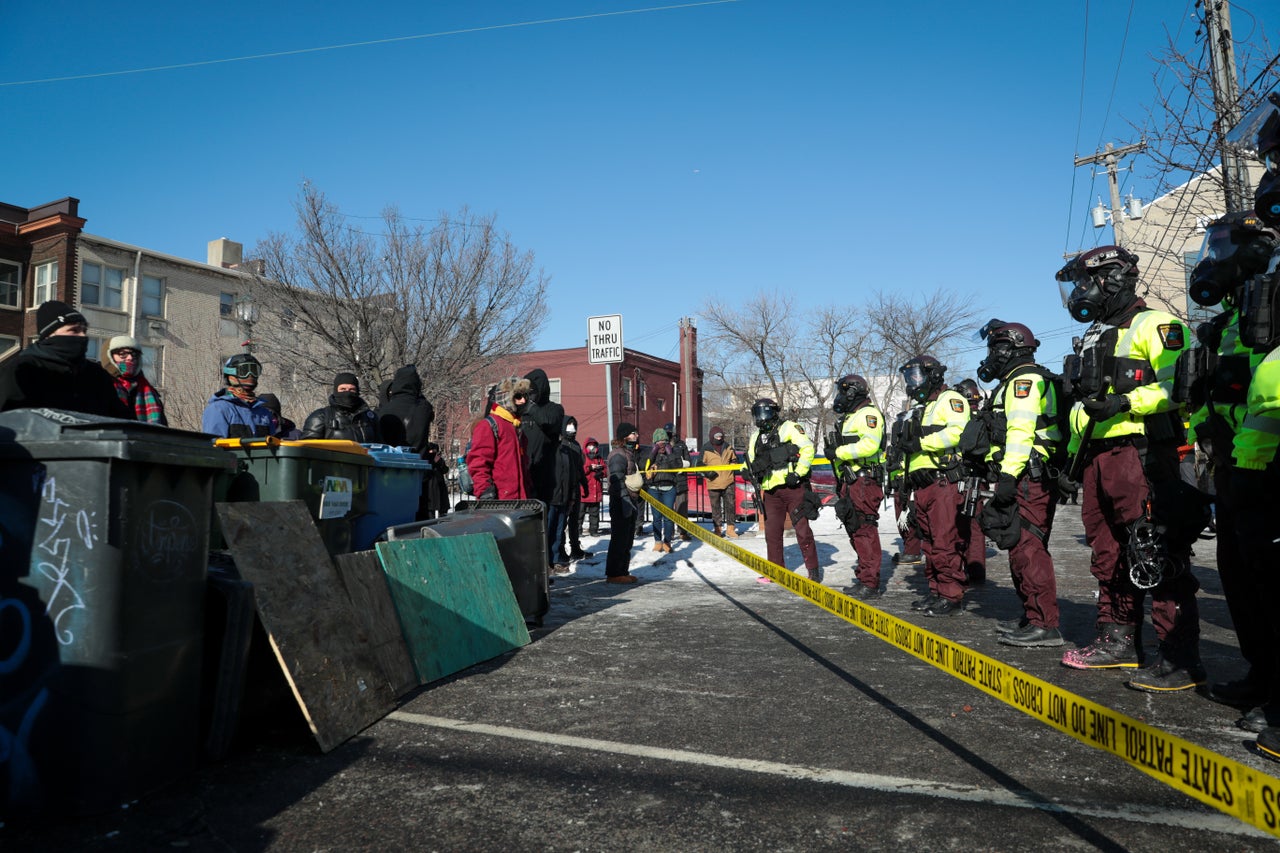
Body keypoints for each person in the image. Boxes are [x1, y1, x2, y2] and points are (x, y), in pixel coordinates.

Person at [1055, 245, 1204, 691]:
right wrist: (1073, 460)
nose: (1080, 292)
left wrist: (1126, 401)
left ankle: (1177, 657)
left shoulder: (1155, 324)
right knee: (1108, 553)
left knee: (1153, 550)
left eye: (1086, 280)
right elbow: (1087, 408)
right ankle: (1117, 640)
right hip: (1099, 457)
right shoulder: (1100, 335)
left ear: (1114, 277)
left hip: (1143, 452)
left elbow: (1181, 386)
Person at [1181, 213, 1277, 718]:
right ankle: (1262, 677)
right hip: (1234, 468)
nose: (1212, 259)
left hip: (1270, 466)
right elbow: (1209, 392)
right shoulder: (1232, 321)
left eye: (1222, 247)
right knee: (1241, 580)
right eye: (1210, 247)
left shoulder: (1271, 307)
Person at [973, 322, 1067, 647]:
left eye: (993, 349)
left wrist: (1009, 476)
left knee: (1028, 546)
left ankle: (1045, 624)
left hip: (1028, 475)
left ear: (1007, 348)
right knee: (1019, 546)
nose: (990, 356)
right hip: (1023, 473)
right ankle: (1032, 616)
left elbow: (1021, 432)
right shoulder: (1014, 381)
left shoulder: (1024, 380)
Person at [898, 355, 970, 616]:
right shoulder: (922, 408)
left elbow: (959, 431)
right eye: (909, 377)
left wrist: (921, 443)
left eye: (916, 376)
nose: (912, 383)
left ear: (933, 375)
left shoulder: (950, 400)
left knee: (944, 541)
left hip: (942, 482)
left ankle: (951, 596)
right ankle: (936, 591)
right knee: (928, 542)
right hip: (923, 484)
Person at [0, 300, 133, 419]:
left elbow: (121, 420)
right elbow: (10, 421)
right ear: (49, 335)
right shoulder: (23, 370)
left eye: (84, 330)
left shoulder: (97, 375)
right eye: (74, 330)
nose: (82, 336)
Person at [746, 398, 821, 580]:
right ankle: (775, 571)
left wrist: (798, 472)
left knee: (802, 529)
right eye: (757, 414)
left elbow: (807, 449)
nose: (760, 418)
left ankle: (813, 570)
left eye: (763, 412)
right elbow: (750, 459)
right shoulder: (756, 436)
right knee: (772, 532)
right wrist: (747, 472)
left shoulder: (789, 427)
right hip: (771, 490)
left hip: (792, 487)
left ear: (773, 412)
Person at [824, 375, 885, 599]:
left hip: (864, 481)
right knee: (855, 530)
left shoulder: (868, 414)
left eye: (842, 391)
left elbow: (869, 445)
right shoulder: (851, 417)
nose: (839, 397)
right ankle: (864, 577)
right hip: (850, 481)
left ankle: (871, 582)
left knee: (864, 530)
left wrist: (838, 452)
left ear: (852, 392)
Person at [375, 365, 438, 519]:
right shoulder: (423, 408)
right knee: (418, 519)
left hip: (389, 473)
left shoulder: (383, 411)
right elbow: (428, 410)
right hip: (418, 471)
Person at [465, 377, 531, 500]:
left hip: (519, 501)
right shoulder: (489, 426)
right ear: (506, 397)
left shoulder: (517, 427)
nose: (523, 401)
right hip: (498, 502)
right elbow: (478, 463)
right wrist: (485, 491)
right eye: (518, 396)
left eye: (525, 396)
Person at [521, 368, 565, 550]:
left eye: (532, 391)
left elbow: (548, 421)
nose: (529, 396)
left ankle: (548, 563)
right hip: (525, 475)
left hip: (547, 477)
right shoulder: (521, 412)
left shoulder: (554, 409)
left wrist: (531, 406)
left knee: (546, 526)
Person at [952, 378, 987, 586]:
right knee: (976, 526)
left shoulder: (963, 417)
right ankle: (976, 569)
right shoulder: (984, 417)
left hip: (964, 478)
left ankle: (967, 568)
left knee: (961, 525)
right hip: (979, 478)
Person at [885, 406, 925, 567]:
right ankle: (910, 549)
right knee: (901, 520)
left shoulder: (910, 444)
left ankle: (912, 551)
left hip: (908, 486)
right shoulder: (895, 448)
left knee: (908, 519)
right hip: (898, 485)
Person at [202, 353, 274, 438]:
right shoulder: (219, 409)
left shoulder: (264, 413)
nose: (250, 375)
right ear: (231, 375)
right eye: (244, 371)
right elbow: (214, 446)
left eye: (254, 371)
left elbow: (273, 445)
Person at [604, 422, 642, 584]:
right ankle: (614, 573)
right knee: (619, 538)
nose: (636, 436)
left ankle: (623, 571)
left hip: (630, 500)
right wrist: (625, 500)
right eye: (633, 433)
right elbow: (617, 478)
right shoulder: (618, 455)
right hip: (621, 501)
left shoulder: (628, 453)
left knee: (627, 539)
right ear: (625, 436)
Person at [549, 415, 586, 573]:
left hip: (567, 494)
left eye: (574, 425)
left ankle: (559, 557)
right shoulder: (553, 449)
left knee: (560, 528)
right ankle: (553, 557)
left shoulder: (572, 449)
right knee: (552, 528)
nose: (571, 428)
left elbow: (574, 471)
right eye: (569, 425)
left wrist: (577, 489)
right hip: (552, 496)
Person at [101, 336, 166, 425]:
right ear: (109, 357)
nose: (130, 358)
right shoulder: (99, 384)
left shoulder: (150, 392)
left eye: (134, 355)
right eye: (123, 354)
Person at [643, 427, 687, 553]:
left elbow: (678, 466)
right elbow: (643, 467)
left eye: (664, 441)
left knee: (668, 517)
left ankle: (667, 541)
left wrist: (670, 453)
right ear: (654, 442)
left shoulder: (673, 452)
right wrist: (653, 454)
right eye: (659, 441)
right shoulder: (650, 453)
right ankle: (657, 541)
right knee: (656, 517)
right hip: (654, 488)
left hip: (669, 488)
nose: (661, 444)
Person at [301, 372, 379, 441]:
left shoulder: (370, 418)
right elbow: (308, 448)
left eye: (352, 389)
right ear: (336, 391)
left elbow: (382, 446)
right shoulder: (320, 417)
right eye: (343, 389)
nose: (347, 393)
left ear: (357, 391)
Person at [700, 425, 739, 537]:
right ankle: (718, 529)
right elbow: (699, 464)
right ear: (712, 436)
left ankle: (731, 529)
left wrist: (732, 465)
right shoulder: (705, 448)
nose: (719, 438)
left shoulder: (729, 447)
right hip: (713, 483)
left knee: (730, 506)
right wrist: (709, 474)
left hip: (728, 482)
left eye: (721, 436)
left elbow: (735, 459)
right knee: (715, 508)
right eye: (717, 436)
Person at [665, 421, 693, 541]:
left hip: (680, 480)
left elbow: (688, 461)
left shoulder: (681, 445)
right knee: (668, 508)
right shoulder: (662, 446)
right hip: (668, 480)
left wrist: (681, 465)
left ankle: (682, 531)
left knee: (682, 508)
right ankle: (669, 532)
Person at [580, 436, 607, 536]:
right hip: (584, 491)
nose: (592, 448)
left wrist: (601, 473)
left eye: (594, 446)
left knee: (594, 514)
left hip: (596, 491)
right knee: (580, 514)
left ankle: (594, 530)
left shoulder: (599, 459)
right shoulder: (582, 457)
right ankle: (578, 530)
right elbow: (580, 471)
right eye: (590, 446)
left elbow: (605, 470)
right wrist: (590, 468)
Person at [419, 442, 452, 519]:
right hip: (431, 489)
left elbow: (445, 470)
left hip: (440, 487)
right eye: (432, 451)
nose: (434, 452)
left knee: (443, 509)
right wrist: (433, 462)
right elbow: (425, 475)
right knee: (431, 512)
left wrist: (440, 462)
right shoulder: (426, 459)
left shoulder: (439, 460)